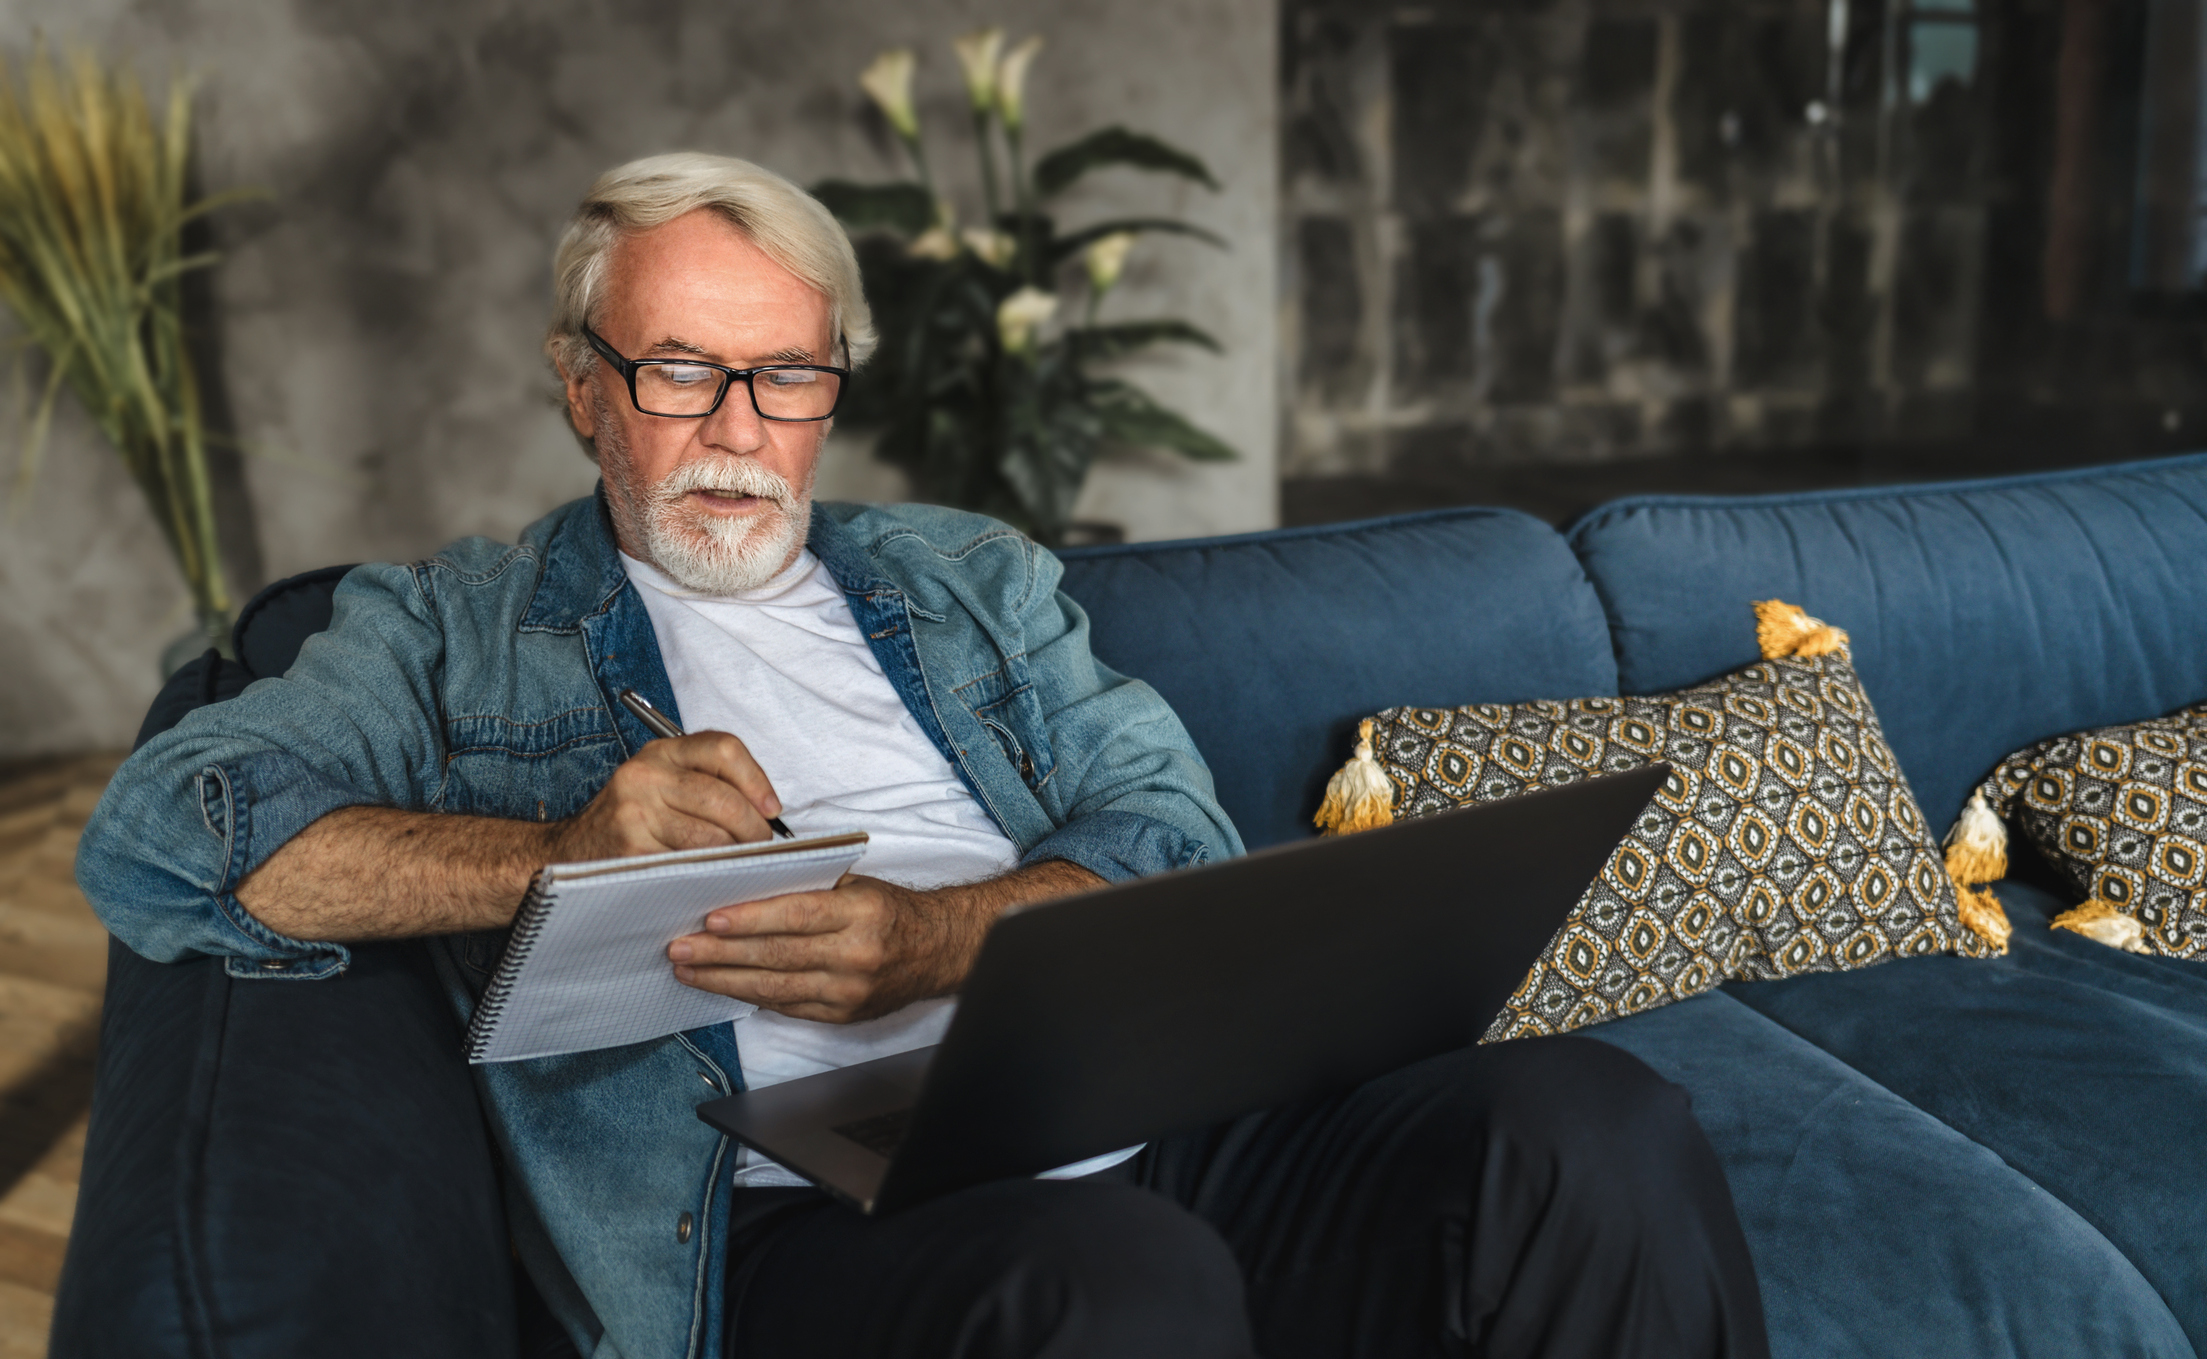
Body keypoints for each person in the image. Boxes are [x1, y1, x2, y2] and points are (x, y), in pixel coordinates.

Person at [78, 152, 1767, 1359]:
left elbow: (1172, 827)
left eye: (788, 375)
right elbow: (164, 835)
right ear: (583, 388)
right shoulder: (451, 628)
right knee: (1107, 1280)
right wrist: (557, 862)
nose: (740, 431)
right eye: (683, 371)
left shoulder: (969, 580)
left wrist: (933, 942)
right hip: (805, 1204)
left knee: (1586, 1124)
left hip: (1143, 1093)